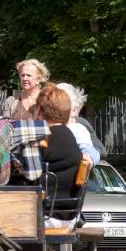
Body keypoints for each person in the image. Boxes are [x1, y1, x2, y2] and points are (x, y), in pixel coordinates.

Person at [33, 83, 83, 228]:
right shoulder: (68, 135)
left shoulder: (47, 138)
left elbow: (28, 174)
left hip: (49, 215)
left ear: (40, 110)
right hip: (68, 214)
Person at [56, 82, 99, 165]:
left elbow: (90, 152)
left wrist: (89, 157)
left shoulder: (77, 129)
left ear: (75, 109)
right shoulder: (48, 125)